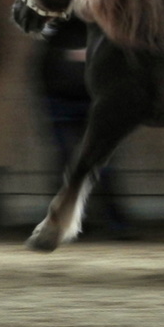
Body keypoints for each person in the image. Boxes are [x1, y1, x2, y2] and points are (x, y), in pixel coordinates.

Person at [37, 17, 131, 238]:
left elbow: (45, 65)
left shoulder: (67, 29)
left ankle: (87, 222)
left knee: (82, 166)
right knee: (90, 166)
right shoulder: (96, 27)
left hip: (77, 103)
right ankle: (106, 222)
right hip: (74, 102)